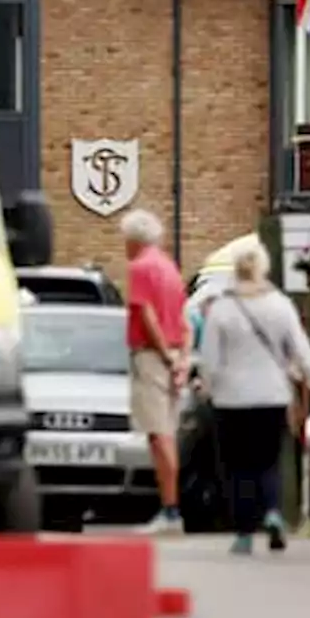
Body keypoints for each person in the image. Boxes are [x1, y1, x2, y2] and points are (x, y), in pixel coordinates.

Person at [198, 235, 310, 555]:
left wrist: (208, 384)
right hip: (272, 395)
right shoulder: (280, 305)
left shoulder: (221, 308)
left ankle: (245, 532)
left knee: (236, 466)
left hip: (230, 399)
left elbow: (209, 359)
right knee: (267, 461)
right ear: (264, 268)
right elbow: (302, 352)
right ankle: (273, 513)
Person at [120, 208, 189, 535]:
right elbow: (184, 318)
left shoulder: (139, 268)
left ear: (133, 239)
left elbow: (145, 314)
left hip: (152, 356)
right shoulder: (169, 268)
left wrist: (163, 355)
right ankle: (170, 508)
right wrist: (182, 358)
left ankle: (170, 510)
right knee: (168, 433)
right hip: (174, 352)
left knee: (158, 435)